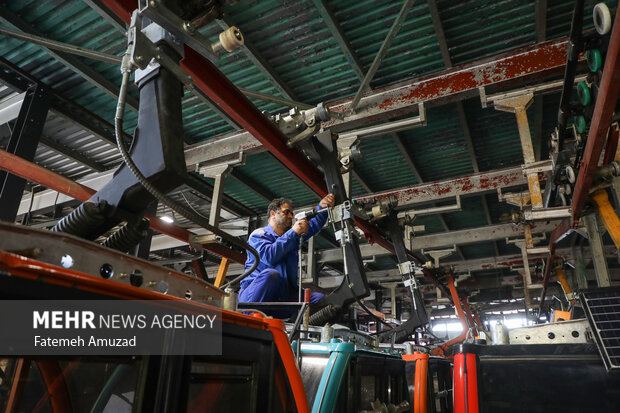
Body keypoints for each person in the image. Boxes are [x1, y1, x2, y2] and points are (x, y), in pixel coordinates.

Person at [239, 194, 335, 309]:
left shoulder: (292, 238)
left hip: (281, 296)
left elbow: (313, 225)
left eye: (292, 213)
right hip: (256, 296)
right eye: (286, 212)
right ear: (273, 213)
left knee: (318, 299)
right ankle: (250, 315)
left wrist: (322, 208)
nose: (290, 216)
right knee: (271, 275)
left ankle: (298, 323)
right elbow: (270, 256)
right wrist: (293, 232)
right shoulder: (258, 235)